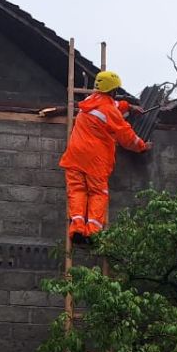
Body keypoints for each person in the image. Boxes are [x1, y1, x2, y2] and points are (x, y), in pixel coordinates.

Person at [59, 70, 149, 242]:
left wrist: (129, 107)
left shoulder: (88, 101)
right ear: (113, 90)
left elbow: (112, 105)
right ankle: (92, 233)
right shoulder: (110, 111)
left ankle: (77, 228)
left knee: (77, 190)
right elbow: (127, 137)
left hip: (75, 155)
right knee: (98, 193)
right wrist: (143, 146)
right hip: (95, 160)